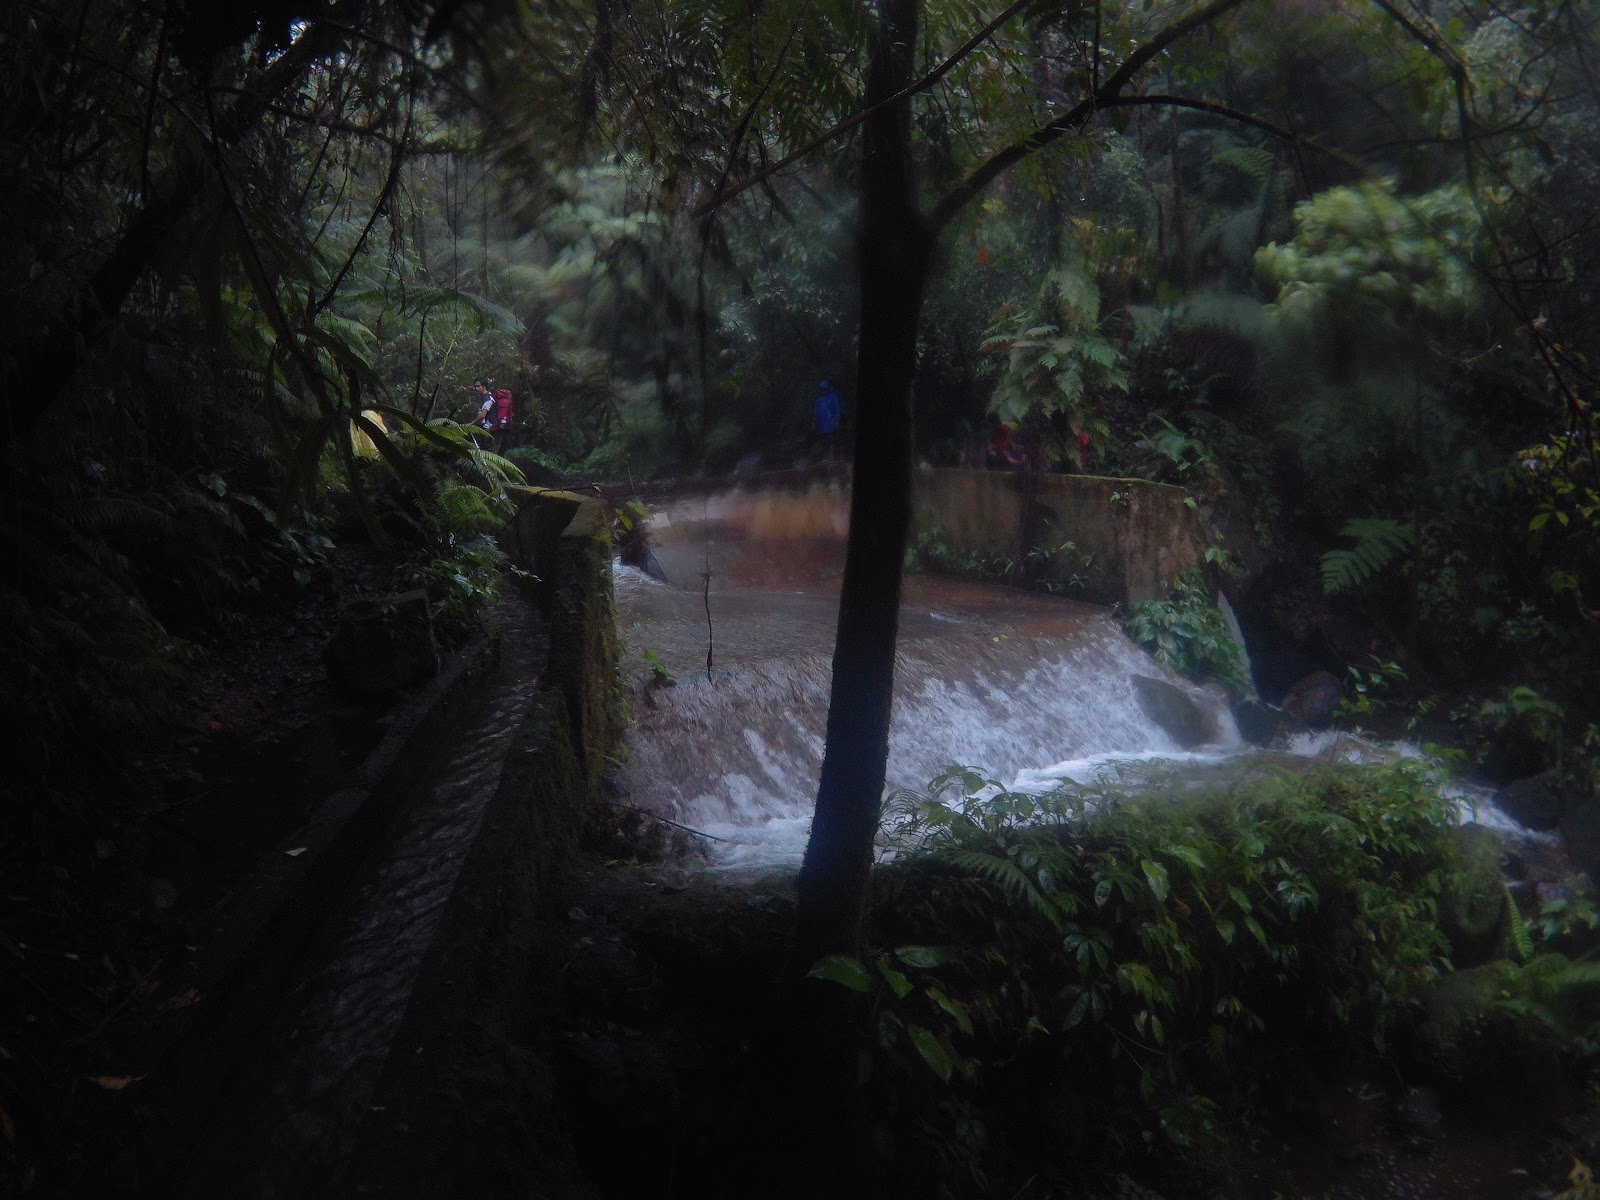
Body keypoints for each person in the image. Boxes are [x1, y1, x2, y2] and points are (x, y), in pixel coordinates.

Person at [813, 379, 842, 460]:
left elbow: (837, 410)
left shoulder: (833, 397)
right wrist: (814, 422)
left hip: (831, 423)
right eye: (821, 389)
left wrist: (837, 420)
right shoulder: (819, 400)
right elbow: (816, 412)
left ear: (827, 388)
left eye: (824, 389)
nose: (822, 390)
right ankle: (826, 457)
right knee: (824, 441)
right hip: (822, 424)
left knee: (831, 440)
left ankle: (831, 457)